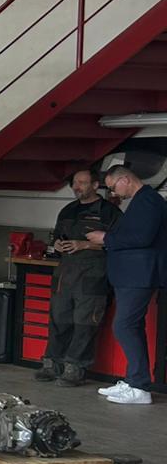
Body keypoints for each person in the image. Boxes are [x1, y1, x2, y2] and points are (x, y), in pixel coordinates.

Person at [87, 164, 167, 405]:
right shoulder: (141, 201)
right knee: (131, 326)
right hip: (131, 276)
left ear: (125, 179)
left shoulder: (149, 201)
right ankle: (134, 381)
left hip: (139, 276)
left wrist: (106, 238)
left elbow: (142, 237)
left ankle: (139, 386)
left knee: (124, 326)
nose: (114, 193)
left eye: (113, 187)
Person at [39, 168, 121, 386]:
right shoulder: (68, 210)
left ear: (95, 185)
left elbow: (120, 244)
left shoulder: (109, 212)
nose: (77, 187)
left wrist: (85, 245)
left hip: (93, 276)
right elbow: (57, 236)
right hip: (65, 274)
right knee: (59, 319)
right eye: (75, 183)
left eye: (82, 183)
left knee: (85, 323)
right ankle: (52, 364)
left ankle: (75, 368)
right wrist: (57, 244)